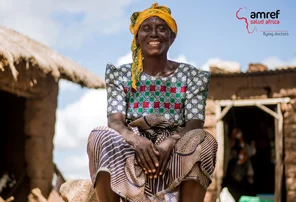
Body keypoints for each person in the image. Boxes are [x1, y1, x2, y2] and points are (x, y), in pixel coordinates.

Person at [87, 3, 218, 202]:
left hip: (176, 147)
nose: (154, 34)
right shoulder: (121, 75)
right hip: (132, 144)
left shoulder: (192, 76)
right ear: (137, 38)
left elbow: (194, 123)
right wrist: (136, 140)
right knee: (99, 136)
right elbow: (115, 121)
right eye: (146, 29)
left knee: (203, 139)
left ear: (172, 37)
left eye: (161, 29)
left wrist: (171, 141)